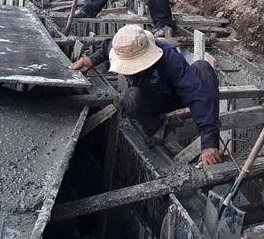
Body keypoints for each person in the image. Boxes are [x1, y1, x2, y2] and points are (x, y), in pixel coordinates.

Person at [70, 24, 224, 167]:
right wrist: (91, 60)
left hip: (178, 95)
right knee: (130, 98)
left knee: (203, 68)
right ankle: (154, 127)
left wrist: (208, 141)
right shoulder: (121, 47)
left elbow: (195, 93)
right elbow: (107, 47)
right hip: (153, 97)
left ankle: (212, 144)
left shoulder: (169, 58)